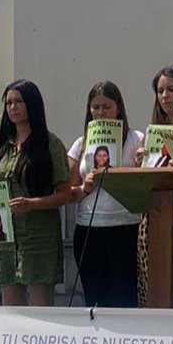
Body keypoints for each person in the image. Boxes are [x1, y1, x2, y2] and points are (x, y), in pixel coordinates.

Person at [0, 80, 72, 307]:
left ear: (32, 104)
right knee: (10, 311)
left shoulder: (50, 144)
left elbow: (65, 194)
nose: (13, 107)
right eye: (9, 103)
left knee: (40, 312)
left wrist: (32, 203)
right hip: (5, 238)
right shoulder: (1, 146)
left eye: (19, 101)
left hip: (39, 238)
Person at [67, 81, 143, 308]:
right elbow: (68, 192)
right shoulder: (81, 144)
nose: (101, 112)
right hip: (89, 229)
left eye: (106, 106)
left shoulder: (136, 139)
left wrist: (141, 165)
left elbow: (147, 183)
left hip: (126, 228)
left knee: (124, 300)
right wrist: (85, 187)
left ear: (118, 107)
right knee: (95, 301)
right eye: (96, 107)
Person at [135, 66, 173, 307]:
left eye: (171, 89)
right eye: (160, 91)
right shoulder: (152, 132)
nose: (165, 96)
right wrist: (141, 161)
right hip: (154, 217)